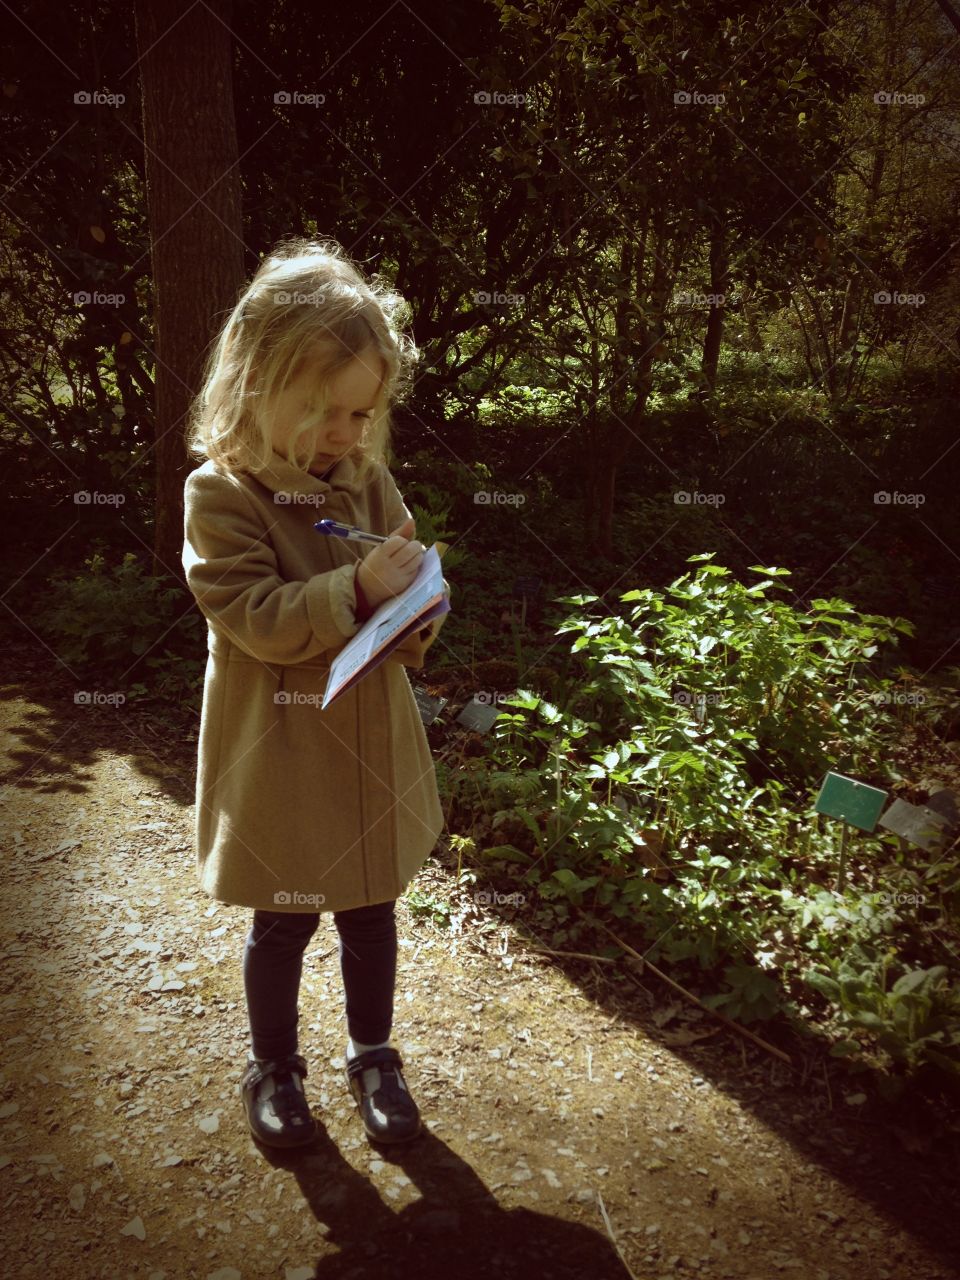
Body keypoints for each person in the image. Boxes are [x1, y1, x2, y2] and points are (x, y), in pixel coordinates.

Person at [180, 236, 451, 1149]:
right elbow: (251, 613)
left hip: (367, 735)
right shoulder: (220, 497)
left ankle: (374, 1054)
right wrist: (359, 591)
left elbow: (400, 582)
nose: (346, 434)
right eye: (326, 412)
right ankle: (275, 1067)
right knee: (286, 916)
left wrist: (416, 611)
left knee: (372, 908)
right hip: (284, 747)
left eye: (362, 414)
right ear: (260, 383)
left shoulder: (367, 482)